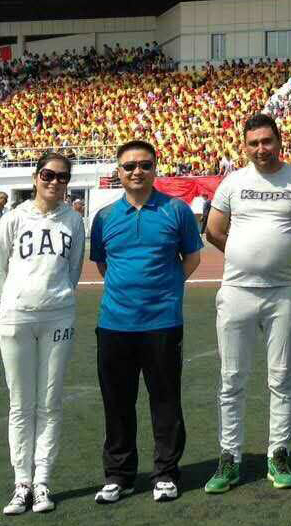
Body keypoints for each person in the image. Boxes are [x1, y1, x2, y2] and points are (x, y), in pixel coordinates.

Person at [204, 114, 291, 495]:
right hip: (237, 291)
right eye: (253, 143)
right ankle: (229, 458)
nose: (261, 149)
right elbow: (214, 230)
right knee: (231, 378)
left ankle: (278, 454)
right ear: (244, 146)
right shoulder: (233, 182)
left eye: (267, 141)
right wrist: (244, 254)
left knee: (282, 377)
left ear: (279, 141)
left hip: (283, 292)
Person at [90, 140, 204, 505]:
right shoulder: (104, 217)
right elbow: (104, 264)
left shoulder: (176, 210)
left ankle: (166, 473)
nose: (136, 171)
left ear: (155, 168)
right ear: (118, 171)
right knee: (117, 403)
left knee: (165, 401)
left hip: (162, 324)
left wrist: (166, 288)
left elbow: (192, 257)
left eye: (144, 165)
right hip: (114, 325)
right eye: (129, 166)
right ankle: (118, 475)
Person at [0, 153, 87, 515]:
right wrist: (9, 308)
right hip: (17, 318)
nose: (54, 182)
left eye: (62, 177)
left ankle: (42, 481)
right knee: (20, 404)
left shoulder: (74, 221)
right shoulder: (14, 218)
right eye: (48, 174)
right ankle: (21, 483)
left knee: (49, 402)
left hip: (58, 317)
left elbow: (73, 271)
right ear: (35, 177)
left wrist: (56, 300)